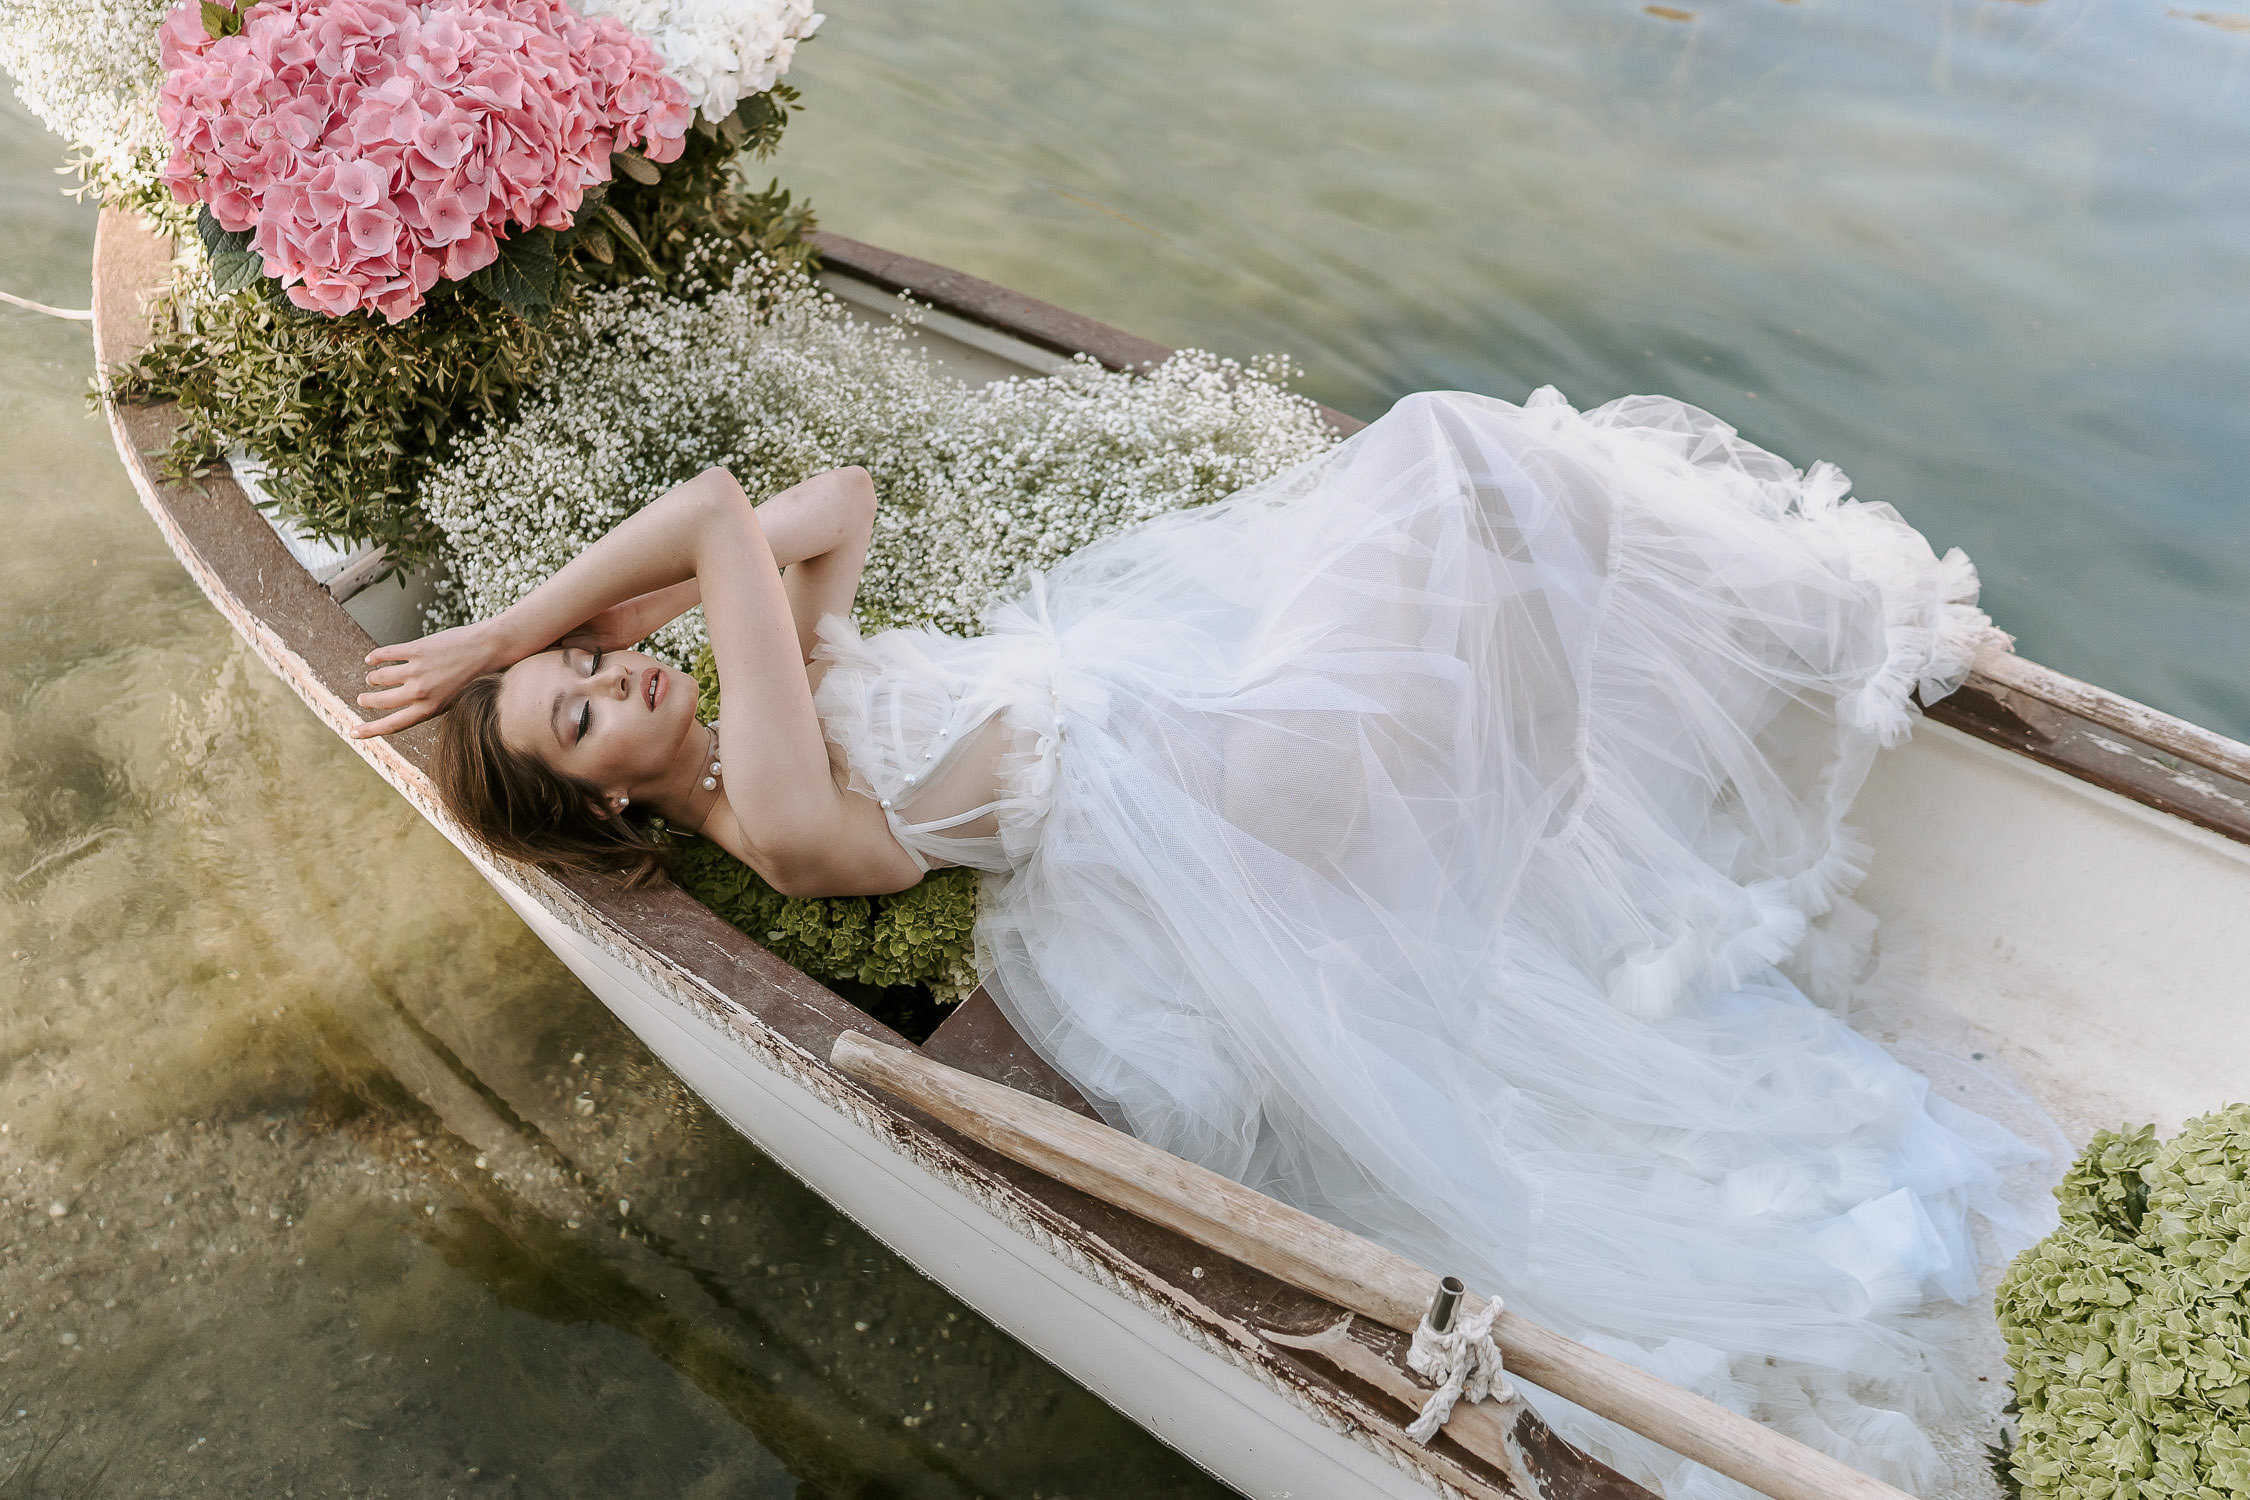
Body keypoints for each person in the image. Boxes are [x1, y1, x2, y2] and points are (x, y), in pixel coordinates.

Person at [357, 388, 2052, 1498]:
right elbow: (725, 507)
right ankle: (1571, 771)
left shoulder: (754, 710)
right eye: (584, 722)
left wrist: (589, 632)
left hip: (1195, 739)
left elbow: (838, 498)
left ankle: (1540, 790)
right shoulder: (775, 809)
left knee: (1483, 480)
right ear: (605, 811)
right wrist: (521, 626)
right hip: (1227, 790)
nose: (617, 682)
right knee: (1465, 468)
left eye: (595, 669)